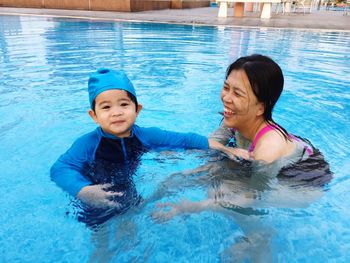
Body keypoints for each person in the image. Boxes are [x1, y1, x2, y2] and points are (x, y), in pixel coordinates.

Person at [50, 68, 232, 227]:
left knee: (131, 231)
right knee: (102, 243)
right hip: (94, 198)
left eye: (124, 104)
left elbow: (183, 140)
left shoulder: (145, 136)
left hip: (128, 191)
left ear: (137, 109)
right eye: (106, 107)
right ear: (94, 116)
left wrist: (224, 149)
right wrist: (82, 190)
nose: (116, 112)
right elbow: (60, 168)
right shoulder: (88, 144)